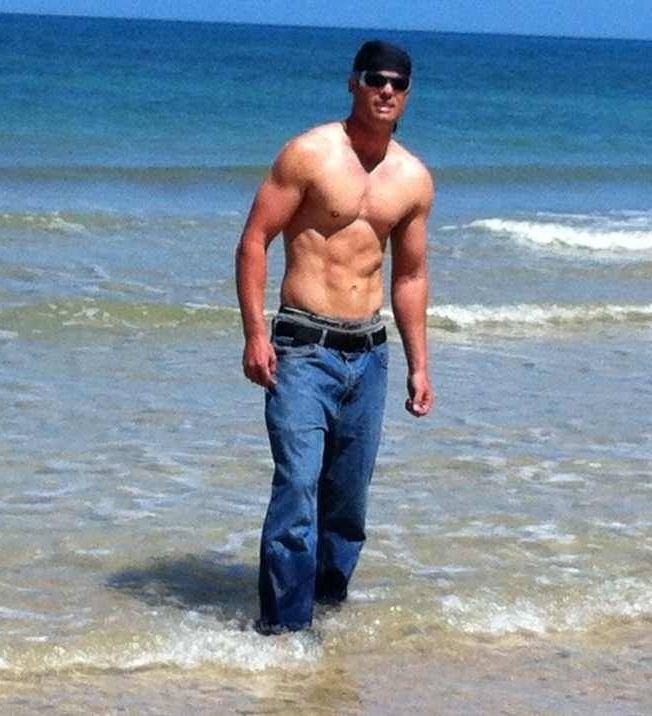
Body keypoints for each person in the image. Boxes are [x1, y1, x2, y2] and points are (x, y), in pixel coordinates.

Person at [235, 40, 434, 634]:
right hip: (303, 348)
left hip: (369, 355)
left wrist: (420, 365)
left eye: (398, 83)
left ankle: (325, 613)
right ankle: (284, 630)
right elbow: (254, 241)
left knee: (347, 505)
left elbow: (410, 276)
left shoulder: (413, 178)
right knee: (298, 489)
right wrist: (254, 333)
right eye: (376, 79)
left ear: (408, 94)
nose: (386, 90)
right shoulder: (310, 154)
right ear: (354, 82)